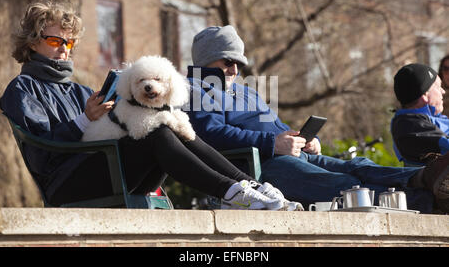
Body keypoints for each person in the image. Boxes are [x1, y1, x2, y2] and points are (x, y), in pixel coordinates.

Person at [0, 0, 302, 211]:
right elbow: (41, 154)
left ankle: (249, 186)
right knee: (157, 132)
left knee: (170, 122)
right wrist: (83, 121)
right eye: (55, 42)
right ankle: (230, 193)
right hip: (67, 183)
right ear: (32, 42)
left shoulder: (79, 90)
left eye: (69, 43)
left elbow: (110, 128)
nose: (64, 50)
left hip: (108, 167)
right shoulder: (22, 89)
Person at [184, 25, 449, 214]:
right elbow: (209, 135)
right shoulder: (196, 89)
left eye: (239, 63)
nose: (234, 69)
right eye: (228, 61)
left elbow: (275, 129)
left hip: (287, 155)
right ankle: (432, 201)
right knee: (343, 185)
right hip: (257, 167)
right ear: (207, 58)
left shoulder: (244, 90)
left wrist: (301, 139)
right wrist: (273, 144)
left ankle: (426, 176)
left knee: (359, 165)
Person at [391, 63, 449, 167]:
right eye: (438, 86)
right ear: (425, 94)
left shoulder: (423, 120)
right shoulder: (408, 125)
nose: (443, 91)